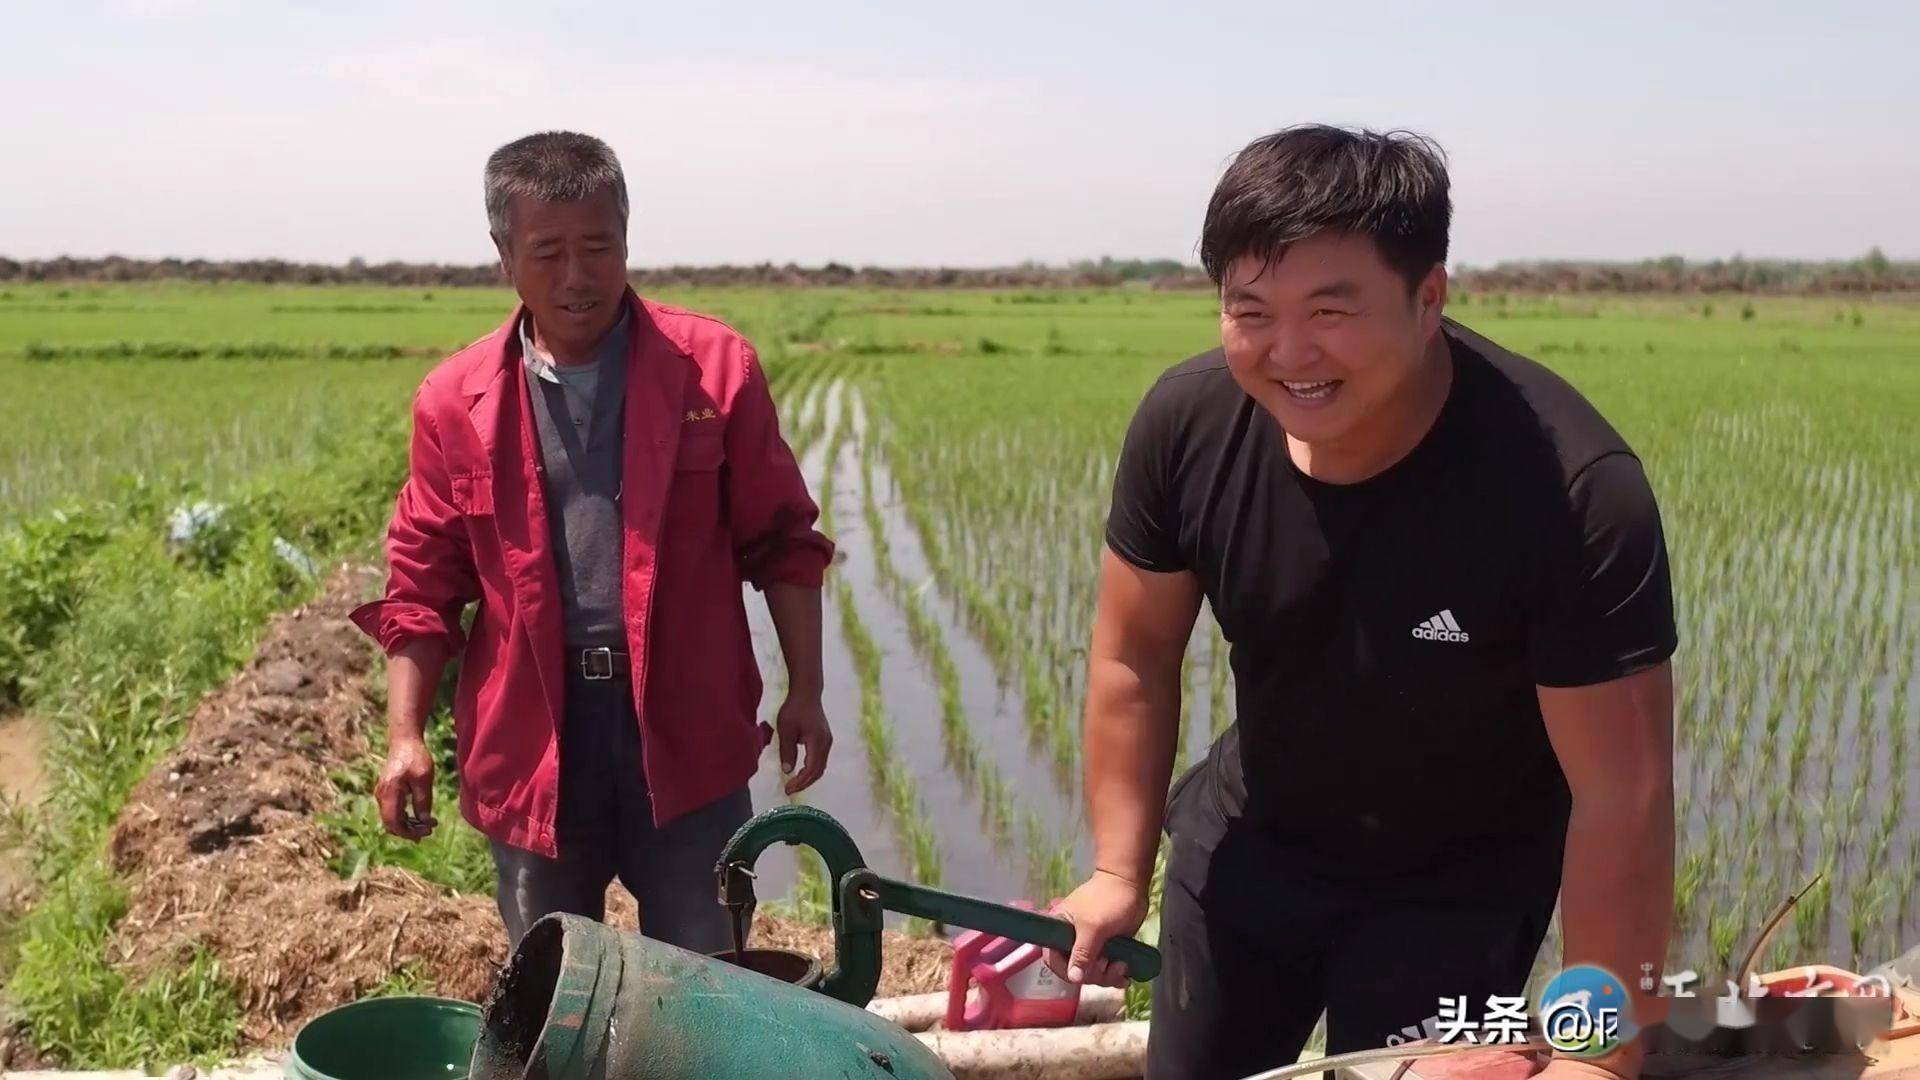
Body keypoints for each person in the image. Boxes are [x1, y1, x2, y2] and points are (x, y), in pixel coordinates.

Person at [1048, 125, 1676, 1080]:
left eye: (1331, 310)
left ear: (1429, 299)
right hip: (1253, 843)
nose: (1289, 353)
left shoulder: (1572, 491)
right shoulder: (1188, 427)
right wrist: (1117, 870)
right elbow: (1132, 657)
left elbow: (1620, 796)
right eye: (1249, 309)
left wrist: (1598, 1061)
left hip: (1459, 887)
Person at [349, 131, 834, 952]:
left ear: (626, 237)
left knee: (705, 982)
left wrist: (808, 690)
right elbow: (424, 587)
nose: (577, 277)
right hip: (536, 734)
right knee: (554, 991)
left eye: (598, 247)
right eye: (549, 253)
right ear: (505, 256)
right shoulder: (453, 401)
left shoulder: (713, 371)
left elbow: (784, 542)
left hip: (685, 728)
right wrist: (404, 736)